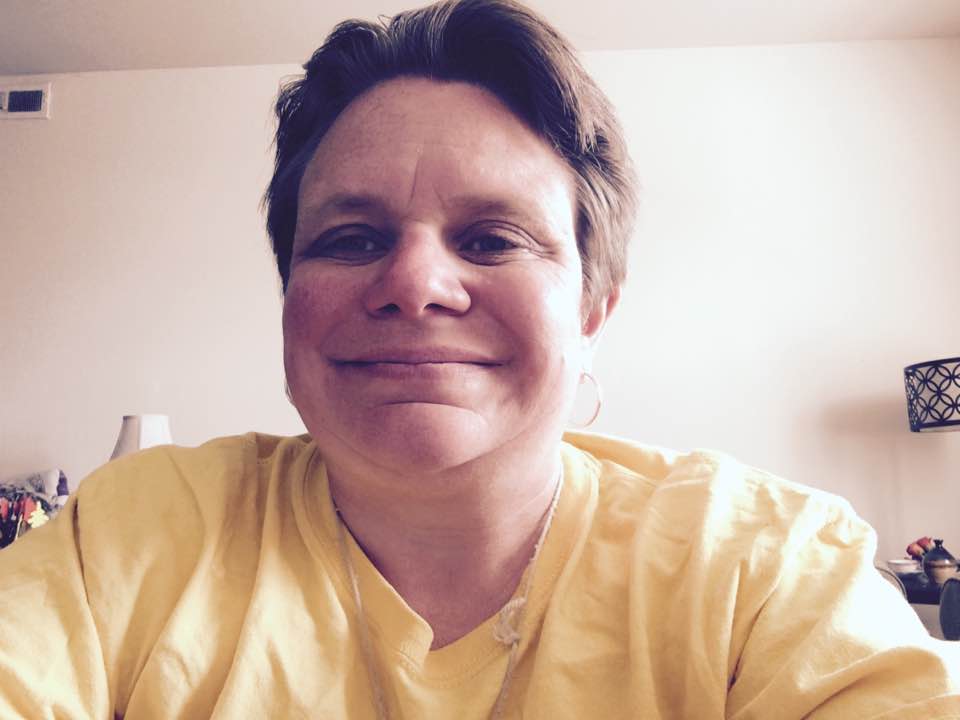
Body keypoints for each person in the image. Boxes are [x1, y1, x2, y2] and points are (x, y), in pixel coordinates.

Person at [1, 0, 958, 717]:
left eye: (493, 239)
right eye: (350, 239)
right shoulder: (127, 537)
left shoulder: (765, 570)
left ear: (593, 310)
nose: (414, 283)